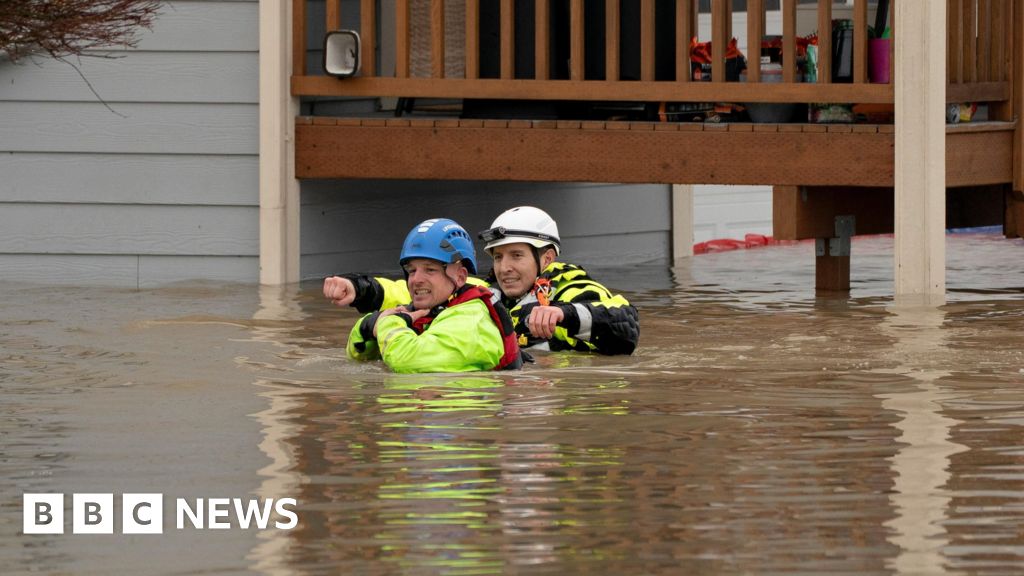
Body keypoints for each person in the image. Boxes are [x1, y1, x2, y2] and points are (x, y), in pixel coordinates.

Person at [326, 207, 639, 356]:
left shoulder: (573, 288)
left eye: (516, 256)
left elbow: (626, 324)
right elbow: (424, 290)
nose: (504, 268)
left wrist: (563, 314)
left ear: (546, 259)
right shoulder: (487, 292)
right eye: (499, 257)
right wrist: (359, 289)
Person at [324, 218, 523, 373]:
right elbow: (358, 357)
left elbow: (408, 362)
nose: (416, 280)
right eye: (412, 270)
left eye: (430, 270)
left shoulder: (472, 322)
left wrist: (387, 324)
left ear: (461, 276)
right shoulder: (431, 308)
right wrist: (368, 326)